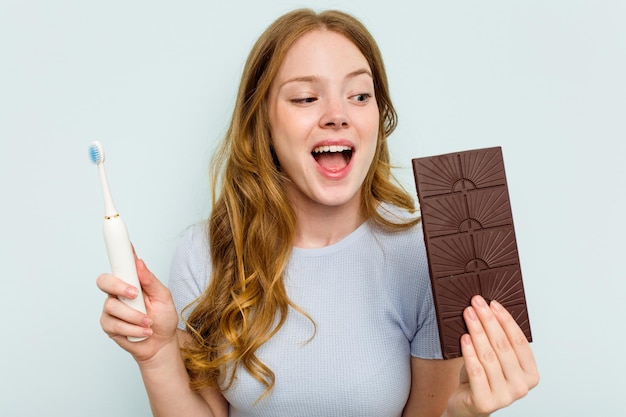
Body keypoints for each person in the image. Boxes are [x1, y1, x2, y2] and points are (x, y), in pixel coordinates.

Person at [97, 8, 538, 417]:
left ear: (377, 118)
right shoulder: (206, 253)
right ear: (263, 122)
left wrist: (463, 412)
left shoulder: (422, 260)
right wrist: (156, 358)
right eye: (306, 98)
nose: (337, 115)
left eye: (359, 95)